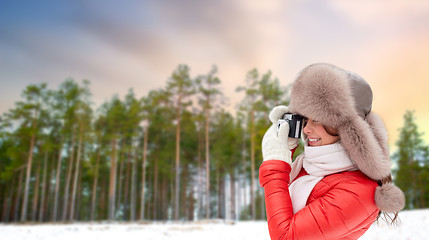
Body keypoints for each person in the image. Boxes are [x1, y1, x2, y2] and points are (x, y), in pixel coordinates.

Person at [259, 63, 405, 240]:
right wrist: (287, 149)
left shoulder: (360, 193)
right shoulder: (310, 165)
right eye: (305, 118)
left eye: (318, 120)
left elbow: (285, 236)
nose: (306, 130)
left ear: (348, 130)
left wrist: (276, 163)